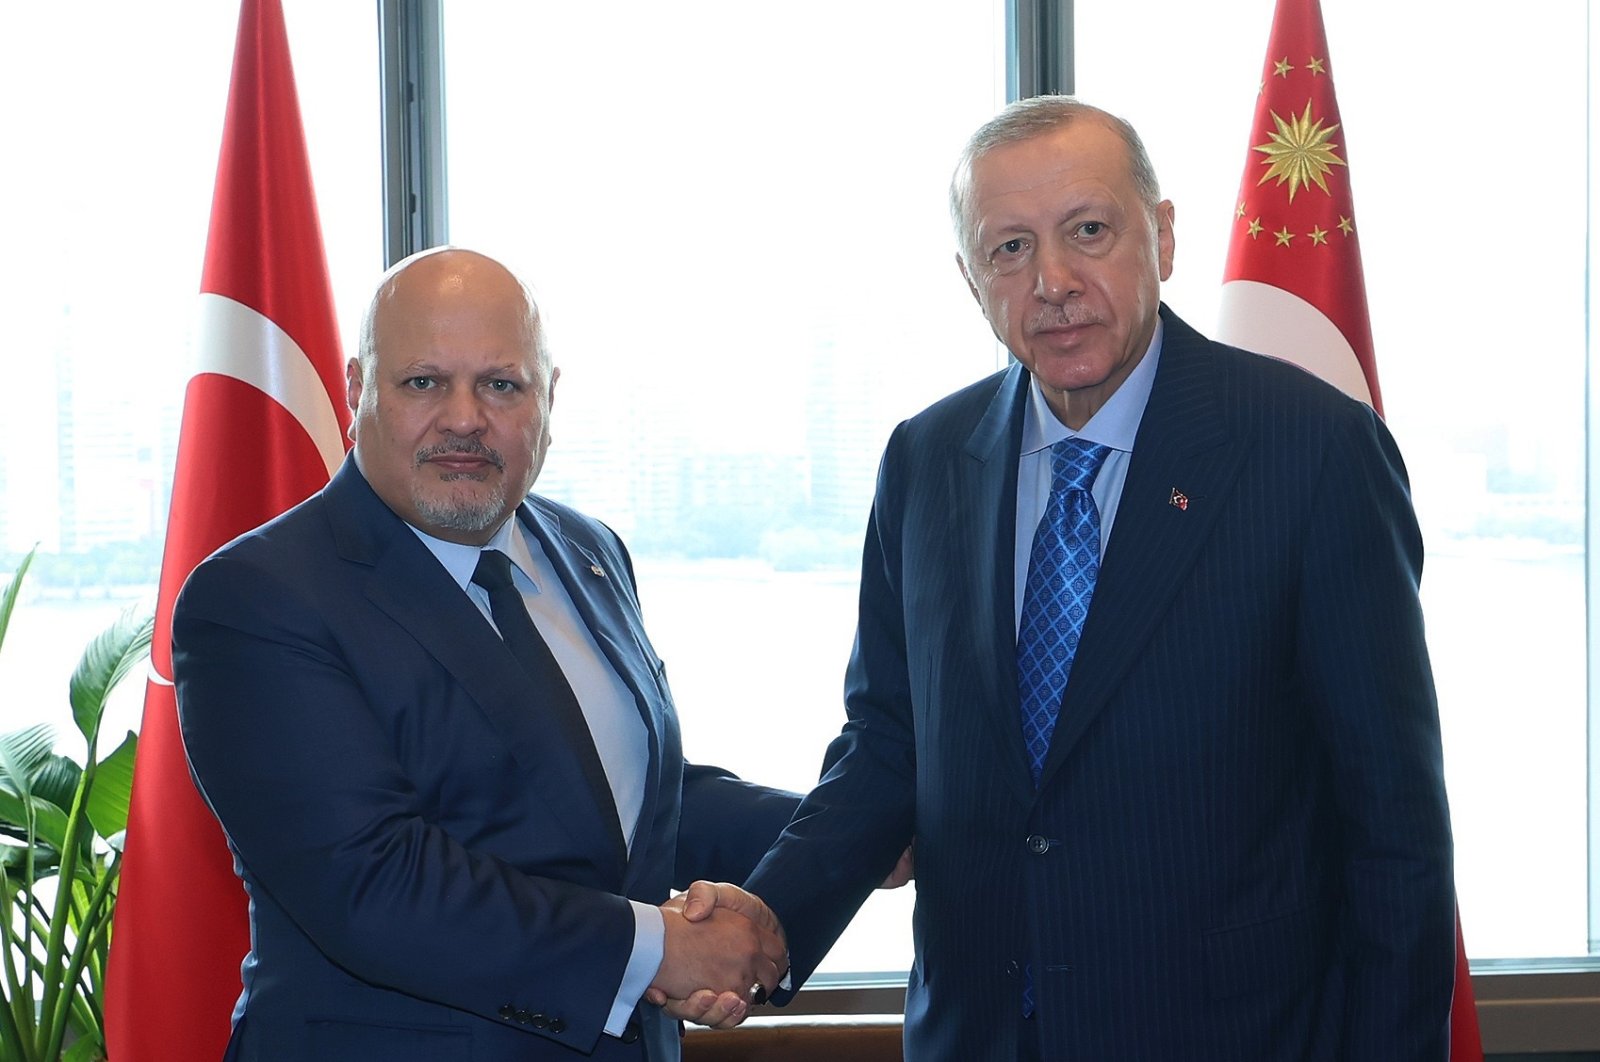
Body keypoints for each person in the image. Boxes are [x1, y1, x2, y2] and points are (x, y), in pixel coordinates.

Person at [692, 96, 1458, 1058]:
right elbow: (888, 743)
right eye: (1009, 249)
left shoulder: (1313, 453)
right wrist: (771, 919)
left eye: (1088, 231)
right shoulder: (927, 459)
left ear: (1163, 236)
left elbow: (1393, 826)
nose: (1052, 281)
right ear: (971, 280)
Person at [174, 247, 802, 1061]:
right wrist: (658, 946)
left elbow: (618, 807)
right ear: (359, 391)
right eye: (424, 382)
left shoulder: (587, 549)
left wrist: (840, 833)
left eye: (501, 384)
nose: (464, 418)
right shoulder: (258, 596)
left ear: (548, 398)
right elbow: (376, 883)